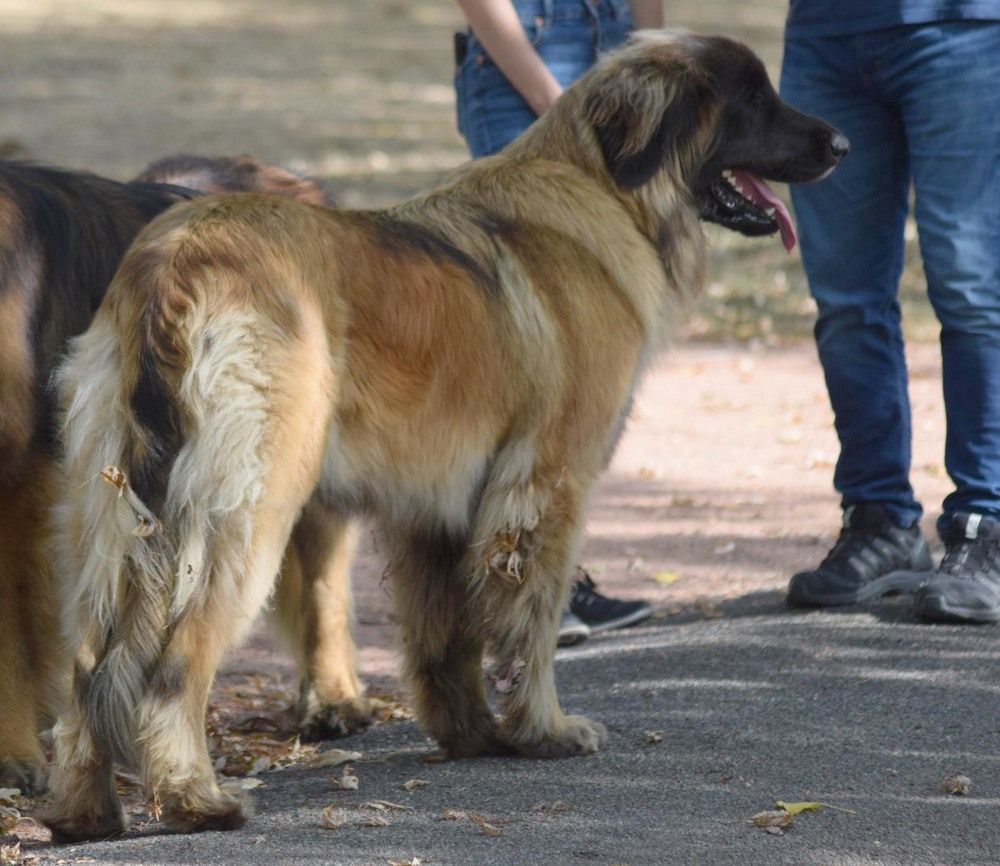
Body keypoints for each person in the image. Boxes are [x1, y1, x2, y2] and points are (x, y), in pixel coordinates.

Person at [780, 3, 1000, 623]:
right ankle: (878, 520)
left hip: (962, 27)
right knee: (846, 300)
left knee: (971, 285)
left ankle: (987, 524)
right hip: (826, 33)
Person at [453, 0, 661, 643]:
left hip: (622, 58)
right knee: (528, 349)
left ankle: (553, 570)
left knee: (601, 340)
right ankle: (513, 574)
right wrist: (557, 106)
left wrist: (653, 68)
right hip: (526, 53)